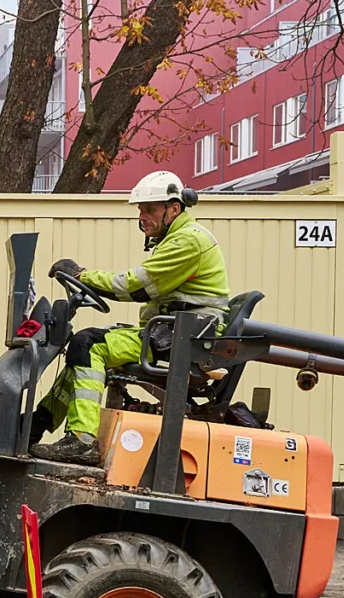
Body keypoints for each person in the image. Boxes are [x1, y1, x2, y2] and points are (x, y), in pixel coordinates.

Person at [30, 171, 230, 465]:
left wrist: (81, 275)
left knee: (88, 345)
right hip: (173, 333)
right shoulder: (179, 238)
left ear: (174, 208)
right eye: (140, 209)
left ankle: (82, 441)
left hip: (181, 338)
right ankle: (37, 424)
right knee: (82, 349)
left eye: (149, 209)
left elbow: (133, 287)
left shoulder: (188, 242)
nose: (142, 216)